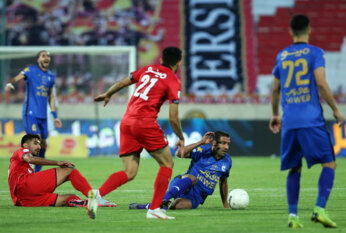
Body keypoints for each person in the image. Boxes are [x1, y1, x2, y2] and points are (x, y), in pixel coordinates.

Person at [92, 47, 185, 220]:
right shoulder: (173, 80)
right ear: (179, 62)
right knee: (167, 163)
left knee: (129, 172)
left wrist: (108, 94)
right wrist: (181, 137)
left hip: (126, 122)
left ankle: (97, 195)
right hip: (145, 123)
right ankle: (155, 209)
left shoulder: (147, 69)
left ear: (162, 58)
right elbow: (173, 118)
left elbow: (121, 83)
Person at [269, 14, 344, 229]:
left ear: (290, 32)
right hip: (311, 120)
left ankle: (293, 217)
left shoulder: (281, 55)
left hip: (290, 121)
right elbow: (320, 83)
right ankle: (319, 209)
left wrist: (275, 114)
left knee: (294, 168)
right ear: (309, 30)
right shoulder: (315, 53)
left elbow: (275, 89)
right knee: (329, 163)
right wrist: (335, 109)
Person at [129, 131, 232, 210]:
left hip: (197, 197)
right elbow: (179, 153)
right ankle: (161, 201)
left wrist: (225, 205)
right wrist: (200, 142)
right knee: (192, 178)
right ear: (214, 143)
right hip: (184, 183)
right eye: (223, 143)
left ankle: (148, 206)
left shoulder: (227, 161)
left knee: (177, 206)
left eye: (228, 144)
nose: (226, 147)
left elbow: (223, 183)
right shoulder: (202, 151)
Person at [8, 134, 115, 210]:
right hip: (24, 185)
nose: (39, 147)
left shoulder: (23, 166)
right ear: (26, 145)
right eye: (35, 143)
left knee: (71, 197)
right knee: (69, 170)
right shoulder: (21, 151)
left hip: (24, 200)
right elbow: (30, 159)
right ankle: (94, 197)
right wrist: (57, 162)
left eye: (39, 144)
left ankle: (82, 203)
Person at [5, 50, 62, 172]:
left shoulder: (50, 76)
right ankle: (23, 167)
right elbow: (18, 77)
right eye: (43, 56)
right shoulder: (31, 70)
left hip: (43, 116)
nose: (46, 58)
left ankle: (37, 171)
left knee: (43, 142)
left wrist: (55, 115)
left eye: (48, 56)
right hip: (30, 113)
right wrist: (10, 83)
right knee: (36, 139)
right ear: (38, 59)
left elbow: (51, 97)